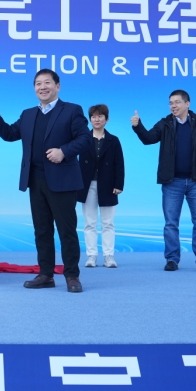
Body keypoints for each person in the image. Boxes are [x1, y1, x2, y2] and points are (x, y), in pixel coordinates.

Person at [0, 69, 92, 293]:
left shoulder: (72, 110)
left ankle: (72, 276)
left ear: (57, 86)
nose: (42, 87)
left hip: (62, 181)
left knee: (66, 230)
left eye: (47, 83)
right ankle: (46, 274)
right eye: (38, 84)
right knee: (42, 230)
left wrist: (64, 151)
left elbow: (85, 139)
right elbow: (9, 134)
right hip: (35, 180)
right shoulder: (28, 114)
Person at [130, 90, 196, 273]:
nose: (173, 106)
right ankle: (172, 260)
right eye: (170, 103)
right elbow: (148, 139)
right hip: (172, 182)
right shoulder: (165, 123)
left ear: (187, 104)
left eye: (177, 102)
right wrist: (138, 126)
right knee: (171, 224)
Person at [78, 104, 125, 268]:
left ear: (107, 119)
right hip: (87, 185)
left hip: (108, 185)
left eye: (100, 116)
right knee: (89, 223)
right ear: (90, 119)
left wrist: (119, 184)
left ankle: (108, 256)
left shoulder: (114, 140)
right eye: (93, 117)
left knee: (108, 223)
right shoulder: (83, 139)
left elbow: (119, 164)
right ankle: (91, 256)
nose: (96, 119)